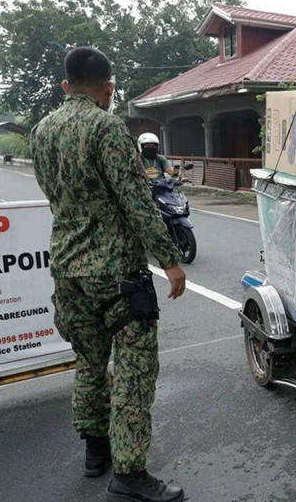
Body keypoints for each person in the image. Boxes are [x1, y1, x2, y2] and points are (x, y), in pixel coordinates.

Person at [30, 46, 187, 502]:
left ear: (65, 86)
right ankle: (131, 474)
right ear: (108, 89)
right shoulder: (107, 127)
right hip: (116, 273)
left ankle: (96, 452)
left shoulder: (41, 132)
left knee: (90, 363)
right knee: (136, 369)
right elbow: (137, 201)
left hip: (67, 270)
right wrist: (169, 260)